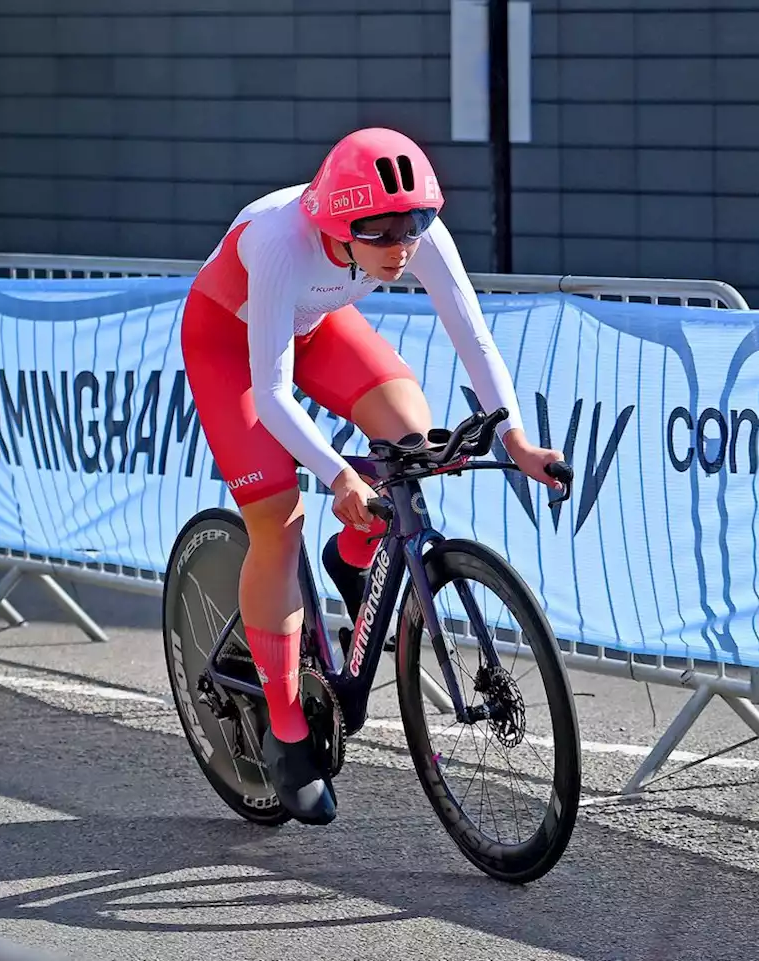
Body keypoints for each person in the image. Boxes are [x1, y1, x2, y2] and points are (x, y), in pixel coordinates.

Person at [180, 127, 565, 826]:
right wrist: (335, 476)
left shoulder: (415, 236)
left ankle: (356, 553)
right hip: (227, 342)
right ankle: (287, 724)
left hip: (312, 324)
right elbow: (271, 396)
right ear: (335, 225)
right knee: (278, 517)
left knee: (409, 432)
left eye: (414, 224)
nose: (402, 246)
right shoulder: (278, 241)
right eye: (382, 232)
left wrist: (517, 438)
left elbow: (472, 335)